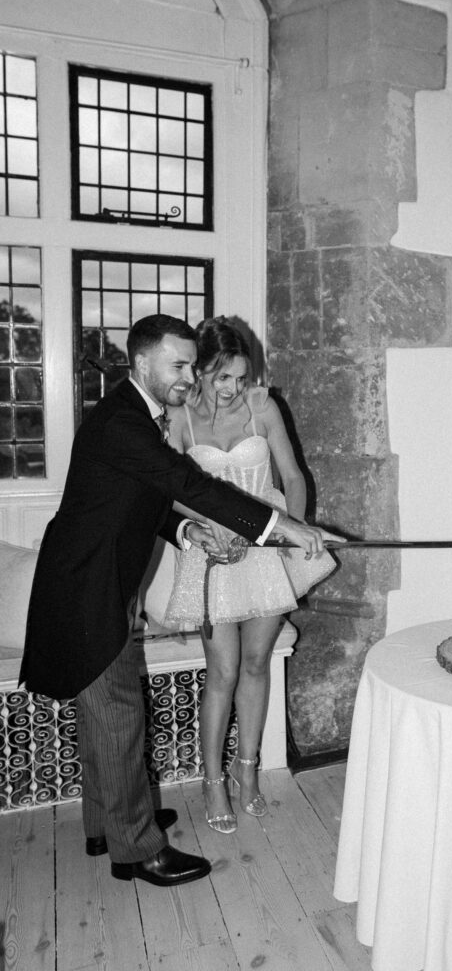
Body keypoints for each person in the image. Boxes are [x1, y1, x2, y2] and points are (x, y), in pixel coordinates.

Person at [19, 313, 342, 888]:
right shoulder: (127, 421)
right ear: (142, 362)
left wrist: (190, 534)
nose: (190, 376)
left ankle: (108, 822)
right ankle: (137, 849)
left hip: (97, 581)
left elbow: (156, 500)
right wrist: (283, 528)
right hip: (87, 587)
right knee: (119, 716)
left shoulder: (132, 413)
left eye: (193, 364)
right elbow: (190, 485)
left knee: (105, 718)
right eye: (180, 364)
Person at [163, 317, 336, 833]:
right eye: (223, 378)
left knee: (259, 662)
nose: (234, 389)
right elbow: (169, 489)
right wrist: (200, 527)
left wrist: (295, 531)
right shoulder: (180, 418)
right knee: (223, 672)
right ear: (202, 371)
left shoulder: (263, 406)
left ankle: (248, 770)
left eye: (241, 377)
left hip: (268, 547)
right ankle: (212, 780)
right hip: (213, 553)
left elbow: (292, 474)